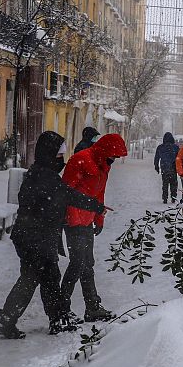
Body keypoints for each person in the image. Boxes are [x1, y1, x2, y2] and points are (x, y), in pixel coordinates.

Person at [0, 131, 108, 339]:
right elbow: (67, 195)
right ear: (49, 153)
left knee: (45, 279)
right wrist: (94, 205)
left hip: (33, 237)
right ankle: (9, 320)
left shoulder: (41, 173)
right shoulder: (44, 177)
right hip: (35, 238)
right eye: (59, 154)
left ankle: (56, 318)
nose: (61, 159)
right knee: (32, 279)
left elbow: (61, 196)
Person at [61, 133, 128, 322]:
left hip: (87, 219)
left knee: (87, 263)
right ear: (105, 150)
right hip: (73, 220)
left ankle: (92, 306)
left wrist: (98, 218)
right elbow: (65, 192)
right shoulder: (80, 160)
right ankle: (61, 309)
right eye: (113, 156)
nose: (114, 160)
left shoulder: (103, 164)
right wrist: (72, 218)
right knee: (77, 264)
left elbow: (99, 193)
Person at [154, 132, 180, 204]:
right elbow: (179, 158)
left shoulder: (160, 147)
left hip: (164, 168)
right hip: (173, 168)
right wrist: (180, 168)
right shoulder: (176, 147)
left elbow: (156, 158)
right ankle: (173, 197)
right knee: (173, 184)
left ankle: (165, 198)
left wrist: (156, 166)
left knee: (165, 183)